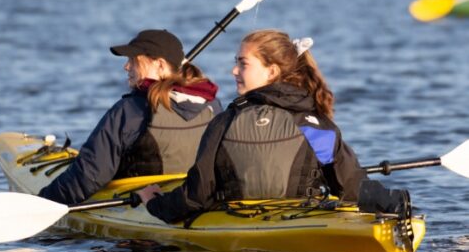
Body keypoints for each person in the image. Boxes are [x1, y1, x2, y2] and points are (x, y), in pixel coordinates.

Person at [137, 29, 368, 224]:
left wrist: (154, 203)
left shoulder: (225, 122)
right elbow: (352, 190)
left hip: (237, 236)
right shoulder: (314, 124)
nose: (234, 71)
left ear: (272, 71)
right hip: (304, 228)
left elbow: (196, 198)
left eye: (242, 64)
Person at [38, 29, 222, 205]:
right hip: (196, 201)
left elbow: (89, 175)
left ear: (159, 65)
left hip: (141, 206)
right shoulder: (212, 104)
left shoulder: (131, 110)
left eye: (134, 60)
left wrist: (43, 201)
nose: (126, 66)